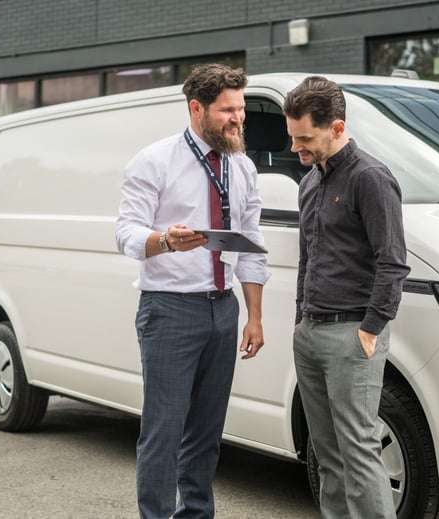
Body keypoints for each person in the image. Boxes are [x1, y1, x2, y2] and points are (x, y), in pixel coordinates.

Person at [115, 63, 270, 519]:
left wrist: (254, 317)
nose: (238, 118)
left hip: (223, 312)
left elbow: (252, 247)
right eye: (227, 110)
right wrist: (164, 241)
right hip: (169, 311)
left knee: (206, 432)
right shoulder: (154, 160)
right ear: (196, 108)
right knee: (163, 431)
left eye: (241, 109)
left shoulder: (242, 167)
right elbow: (124, 233)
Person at [284, 76, 410, 519]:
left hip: (352, 335)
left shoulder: (371, 178)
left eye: (305, 138)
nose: (296, 148)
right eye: (292, 137)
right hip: (312, 333)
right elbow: (307, 257)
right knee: (326, 455)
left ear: (337, 128)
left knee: (358, 451)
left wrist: (371, 329)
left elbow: (393, 261)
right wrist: (301, 317)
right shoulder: (308, 183)